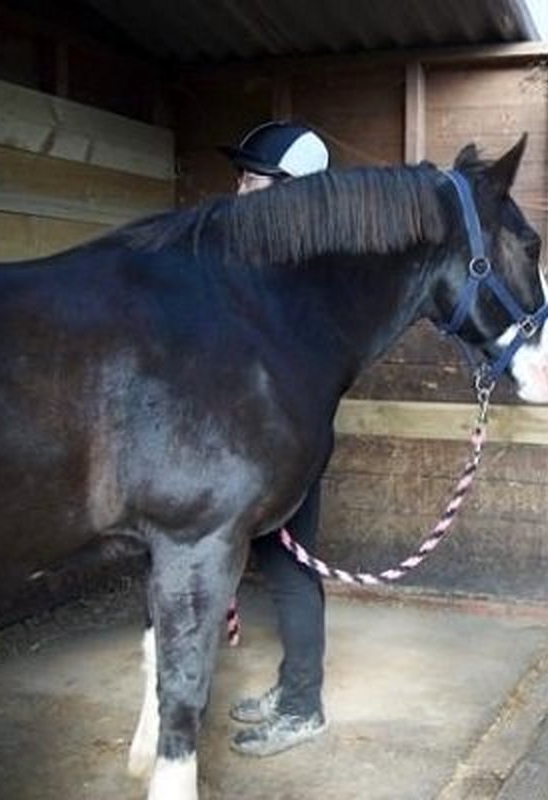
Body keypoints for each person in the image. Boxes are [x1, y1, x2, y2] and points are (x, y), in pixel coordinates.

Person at [219, 121, 332, 757]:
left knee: (290, 571)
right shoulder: (264, 258)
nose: (239, 189)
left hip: (285, 447)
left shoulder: (303, 272)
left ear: (294, 190)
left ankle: (303, 706)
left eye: (253, 179)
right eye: (240, 176)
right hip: (254, 446)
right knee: (274, 567)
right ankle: (294, 686)